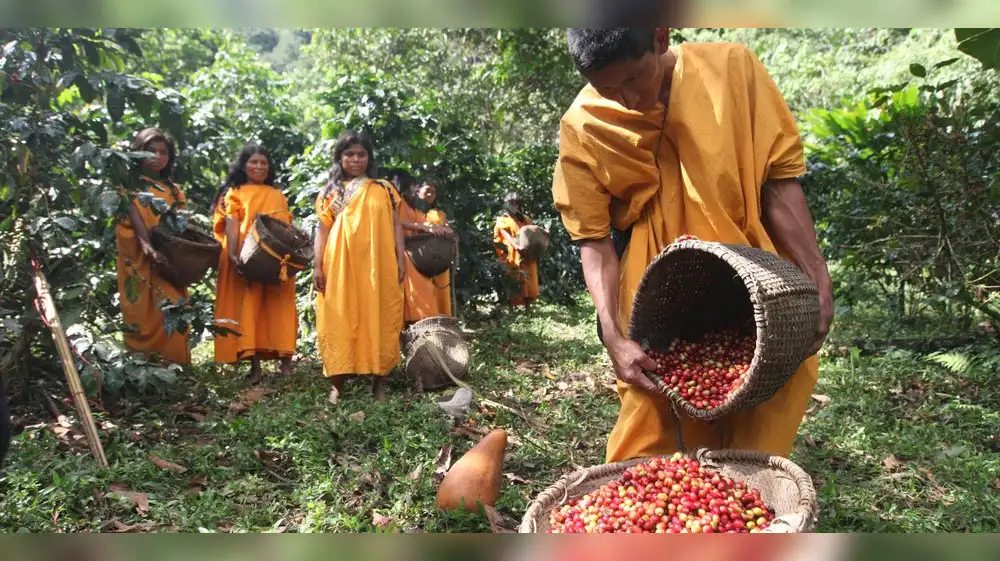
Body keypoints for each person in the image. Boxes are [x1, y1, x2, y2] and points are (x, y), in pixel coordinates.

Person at [551, 28, 834, 463]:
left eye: (633, 79)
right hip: (654, 283)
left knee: (769, 393)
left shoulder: (730, 71)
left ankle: (749, 502)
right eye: (607, 88)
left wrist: (815, 272)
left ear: (659, 37)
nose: (625, 99)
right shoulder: (583, 124)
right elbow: (593, 238)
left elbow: (779, 184)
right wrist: (612, 335)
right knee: (651, 409)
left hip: (750, 267)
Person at [313, 131, 405, 404]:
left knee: (380, 316)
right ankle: (337, 384)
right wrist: (318, 267)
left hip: (379, 265)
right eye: (349, 154)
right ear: (340, 157)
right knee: (338, 318)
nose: (355, 159)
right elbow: (323, 229)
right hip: (340, 265)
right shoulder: (331, 192)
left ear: (369, 157)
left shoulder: (384, 189)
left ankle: (379, 382)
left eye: (361, 154)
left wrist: (401, 259)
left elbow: (396, 226)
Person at [211, 144, 298, 384]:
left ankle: (286, 363)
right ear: (243, 166)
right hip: (248, 258)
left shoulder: (277, 194)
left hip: (278, 258)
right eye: (254, 162)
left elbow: (285, 228)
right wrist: (234, 254)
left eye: (263, 163)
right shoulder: (235, 192)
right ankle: (255, 366)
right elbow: (231, 223)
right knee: (251, 308)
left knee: (279, 306)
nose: (259, 167)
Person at [114, 128, 191, 364]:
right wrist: (145, 244)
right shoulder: (129, 185)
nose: (158, 157)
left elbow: (181, 225)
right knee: (141, 310)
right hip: (137, 256)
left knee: (173, 306)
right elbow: (131, 211)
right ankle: (142, 367)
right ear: (139, 153)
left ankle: (175, 365)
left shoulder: (175, 191)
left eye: (163, 152)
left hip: (167, 260)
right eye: (151, 151)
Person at [384, 168, 453, 325]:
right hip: (403, 253)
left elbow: (424, 223)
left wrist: (441, 228)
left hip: (417, 255)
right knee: (416, 295)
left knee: (424, 293)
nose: (414, 190)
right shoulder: (395, 203)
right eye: (413, 186)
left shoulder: (411, 207)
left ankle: (426, 326)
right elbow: (396, 223)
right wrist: (423, 227)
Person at [493, 192, 540, 308]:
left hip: (526, 253)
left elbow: (532, 232)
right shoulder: (502, 220)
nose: (514, 205)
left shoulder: (525, 219)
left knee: (529, 280)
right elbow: (505, 235)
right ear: (506, 204)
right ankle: (512, 308)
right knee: (513, 279)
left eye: (516, 203)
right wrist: (516, 245)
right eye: (511, 203)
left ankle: (527, 307)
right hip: (512, 253)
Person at [416, 178, 455, 317]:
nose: (430, 195)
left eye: (433, 193)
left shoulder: (439, 213)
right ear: (417, 191)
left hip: (439, 257)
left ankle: (441, 321)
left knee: (441, 290)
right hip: (418, 258)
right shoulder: (411, 210)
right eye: (427, 191)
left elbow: (448, 229)